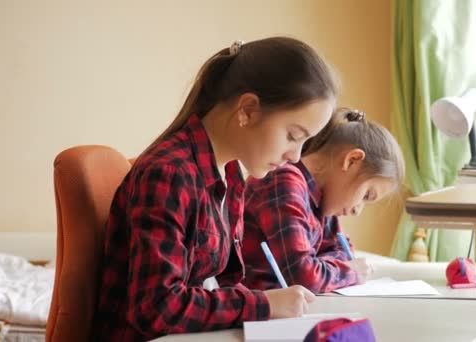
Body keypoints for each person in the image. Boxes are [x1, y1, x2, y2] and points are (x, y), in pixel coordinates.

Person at [94, 37, 340, 341]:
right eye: (293, 135)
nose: (296, 156)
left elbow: (221, 282)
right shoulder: (170, 173)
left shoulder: (232, 174)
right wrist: (261, 304)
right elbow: (156, 308)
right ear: (247, 110)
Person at [241, 108, 405, 294]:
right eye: (366, 195)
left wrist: (323, 266)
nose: (357, 210)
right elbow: (303, 277)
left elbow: (342, 251)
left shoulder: (322, 201)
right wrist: (352, 271)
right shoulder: (283, 181)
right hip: (259, 310)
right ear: (352, 160)